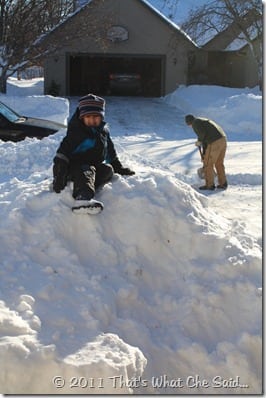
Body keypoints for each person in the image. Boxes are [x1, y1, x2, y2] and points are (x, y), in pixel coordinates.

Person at [52, 93, 135, 213]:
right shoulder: (77, 133)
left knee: (108, 169)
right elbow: (62, 155)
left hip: (91, 168)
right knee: (87, 169)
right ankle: (82, 199)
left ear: (101, 117)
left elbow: (110, 152)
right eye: (88, 117)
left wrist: (119, 168)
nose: (92, 120)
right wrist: (59, 175)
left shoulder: (103, 132)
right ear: (82, 117)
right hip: (72, 169)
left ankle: (84, 186)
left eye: (96, 116)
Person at [185, 114, 228, 190]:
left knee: (208, 164)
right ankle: (223, 183)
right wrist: (205, 153)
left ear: (189, 123)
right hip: (223, 139)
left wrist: (199, 141)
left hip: (214, 141)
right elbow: (205, 137)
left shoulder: (195, 123)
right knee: (219, 163)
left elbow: (202, 134)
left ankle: (209, 185)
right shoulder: (202, 120)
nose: (190, 127)